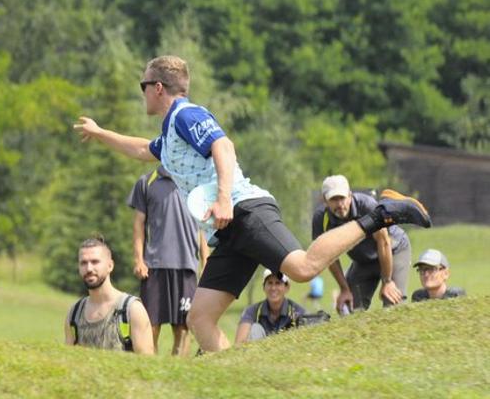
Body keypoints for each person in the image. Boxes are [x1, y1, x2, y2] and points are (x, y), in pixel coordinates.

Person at [74, 55, 432, 353]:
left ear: (158, 88)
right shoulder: (169, 135)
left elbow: (223, 146)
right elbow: (140, 149)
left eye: (142, 86)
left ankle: (383, 214)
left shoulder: (186, 114)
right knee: (199, 318)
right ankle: (237, 381)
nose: (141, 94)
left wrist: (226, 198)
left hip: (245, 210)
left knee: (304, 269)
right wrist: (101, 133)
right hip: (226, 233)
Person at [127, 165, 209, 355]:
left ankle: (177, 378)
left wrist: (206, 259)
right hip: (154, 266)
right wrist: (138, 259)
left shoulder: (196, 182)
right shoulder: (146, 182)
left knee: (182, 329)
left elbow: (203, 225)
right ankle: (150, 374)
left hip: (187, 266)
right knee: (151, 327)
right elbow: (138, 223)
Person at [313, 174, 412, 312]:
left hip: (393, 250)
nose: (340, 204)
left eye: (342, 198)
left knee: (392, 304)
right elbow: (329, 258)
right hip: (364, 260)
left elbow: (383, 243)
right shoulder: (321, 219)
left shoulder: (367, 206)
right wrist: (344, 289)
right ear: (325, 200)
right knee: (349, 309)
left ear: (350, 195)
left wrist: (387, 281)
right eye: (334, 199)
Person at [64, 235, 155, 354]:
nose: (89, 268)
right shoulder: (74, 314)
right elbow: (67, 360)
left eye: (95, 262)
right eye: (83, 263)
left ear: (110, 266)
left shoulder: (132, 310)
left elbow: (146, 365)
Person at [234, 270, 307, 344]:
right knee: (255, 328)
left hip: (288, 352)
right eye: (270, 283)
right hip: (259, 353)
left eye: (278, 283)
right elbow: (239, 344)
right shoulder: (252, 311)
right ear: (264, 287)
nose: (273, 288)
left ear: (287, 287)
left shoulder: (298, 311)